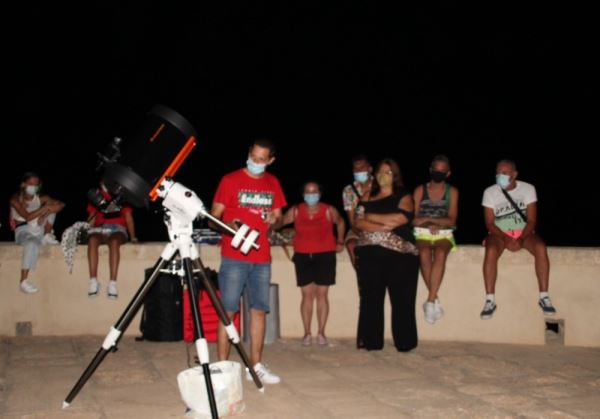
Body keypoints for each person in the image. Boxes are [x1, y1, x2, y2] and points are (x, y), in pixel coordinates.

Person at [210, 138, 286, 384]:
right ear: (248, 153)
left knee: (259, 312)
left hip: (261, 258)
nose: (256, 162)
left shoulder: (273, 182)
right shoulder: (230, 180)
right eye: (253, 156)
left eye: (262, 159)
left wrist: (274, 221)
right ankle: (221, 366)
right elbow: (212, 218)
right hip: (234, 257)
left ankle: (256, 366)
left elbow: (280, 218)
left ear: (271, 161)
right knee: (228, 311)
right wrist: (227, 225)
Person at [354, 159, 420, 351]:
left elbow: (400, 218)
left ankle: (405, 342)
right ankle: (372, 342)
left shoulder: (403, 195)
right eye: (381, 172)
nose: (384, 176)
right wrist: (383, 224)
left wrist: (371, 217)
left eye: (389, 172)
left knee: (402, 300)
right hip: (369, 254)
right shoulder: (368, 194)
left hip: (400, 256)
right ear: (375, 175)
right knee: (371, 299)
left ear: (395, 175)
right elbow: (358, 222)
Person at [480, 159, 556, 319]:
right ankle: (490, 300)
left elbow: (532, 221)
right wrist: (506, 238)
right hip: (500, 233)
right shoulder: (490, 192)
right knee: (491, 250)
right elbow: (489, 223)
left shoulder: (528, 189)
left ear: (514, 175)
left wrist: (520, 238)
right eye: (497, 172)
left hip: (524, 232)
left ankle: (544, 297)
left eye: (504, 173)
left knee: (541, 248)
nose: (500, 175)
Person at [280, 181, 345, 346]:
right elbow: (279, 223)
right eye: (308, 192)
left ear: (320, 193)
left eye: (314, 191)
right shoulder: (296, 211)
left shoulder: (329, 210)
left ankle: (321, 332)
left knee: (322, 295)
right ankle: (307, 333)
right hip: (303, 256)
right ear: (303, 194)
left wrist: (340, 241)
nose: (311, 195)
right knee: (307, 295)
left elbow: (341, 223)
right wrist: (271, 221)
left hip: (325, 255)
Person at [413, 155, 459, 324]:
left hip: (444, 233)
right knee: (423, 252)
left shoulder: (452, 192)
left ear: (448, 173)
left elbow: (452, 220)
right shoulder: (420, 190)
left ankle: (430, 301)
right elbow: (413, 218)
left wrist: (432, 222)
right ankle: (433, 299)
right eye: (435, 170)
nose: (438, 173)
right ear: (430, 170)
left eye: (442, 171)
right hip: (421, 232)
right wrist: (430, 223)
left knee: (440, 253)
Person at [9, 172, 65, 293]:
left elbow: (61, 204)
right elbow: (28, 217)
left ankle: (47, 235)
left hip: (39, 229)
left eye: (36, 185)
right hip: (24, 231)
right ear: (23, 185)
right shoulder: (15, 200)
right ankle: (23, 281)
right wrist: (45, 209)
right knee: (31, 244)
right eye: (30, 184)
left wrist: (48, 211)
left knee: (51, 207)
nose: (33, 187)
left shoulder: (41, 198)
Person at [341, 154, 373, 349]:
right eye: (356, 169)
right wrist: (364, 231)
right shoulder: (349, 190)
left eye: (362, 168)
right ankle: (362, 274)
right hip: (358, 229)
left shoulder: (380, 186)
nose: (359, 172)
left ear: (369, 168)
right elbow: (352, 220)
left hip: (380, 228)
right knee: (352, 244)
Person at [86, 182, 137, 299]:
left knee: (114, 242)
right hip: (100, 228)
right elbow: (91, 218)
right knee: (92, 240)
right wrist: (86, 229)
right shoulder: (97, 196)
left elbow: (129, 219)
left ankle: (112, 283)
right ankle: (93, 281)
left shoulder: (121, 196)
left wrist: (133, 237)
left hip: (118, 229)